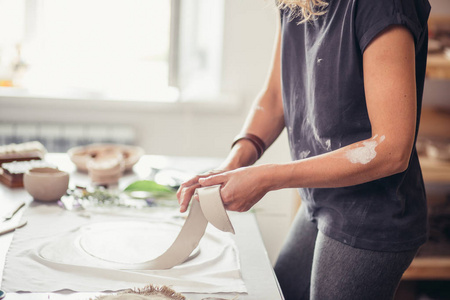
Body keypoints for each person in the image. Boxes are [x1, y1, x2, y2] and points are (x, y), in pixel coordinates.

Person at [177, 0, 431, 299]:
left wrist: (266, 178)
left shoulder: (381, 5)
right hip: (320, 196)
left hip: (371, 212)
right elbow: (275, 97)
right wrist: (232, 164)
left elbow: (391, 149)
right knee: (281, 290)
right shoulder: (296, 2)